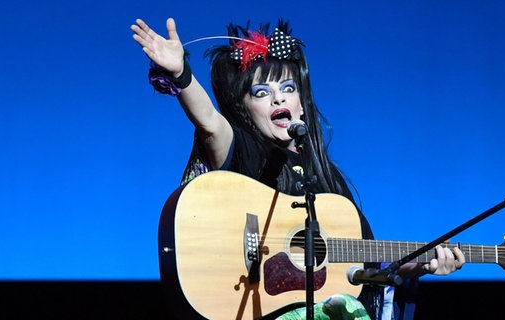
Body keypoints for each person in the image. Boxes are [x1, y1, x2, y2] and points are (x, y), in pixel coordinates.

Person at [131, 17, 465, 320]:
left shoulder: (327, 181)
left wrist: (419, 264)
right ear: (244, 108)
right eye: (262, 92)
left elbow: (367, 264)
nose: (278, 99)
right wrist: (182, 75)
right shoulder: (245, 150)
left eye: (288, 89)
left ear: (301, 103)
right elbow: (210, 123)